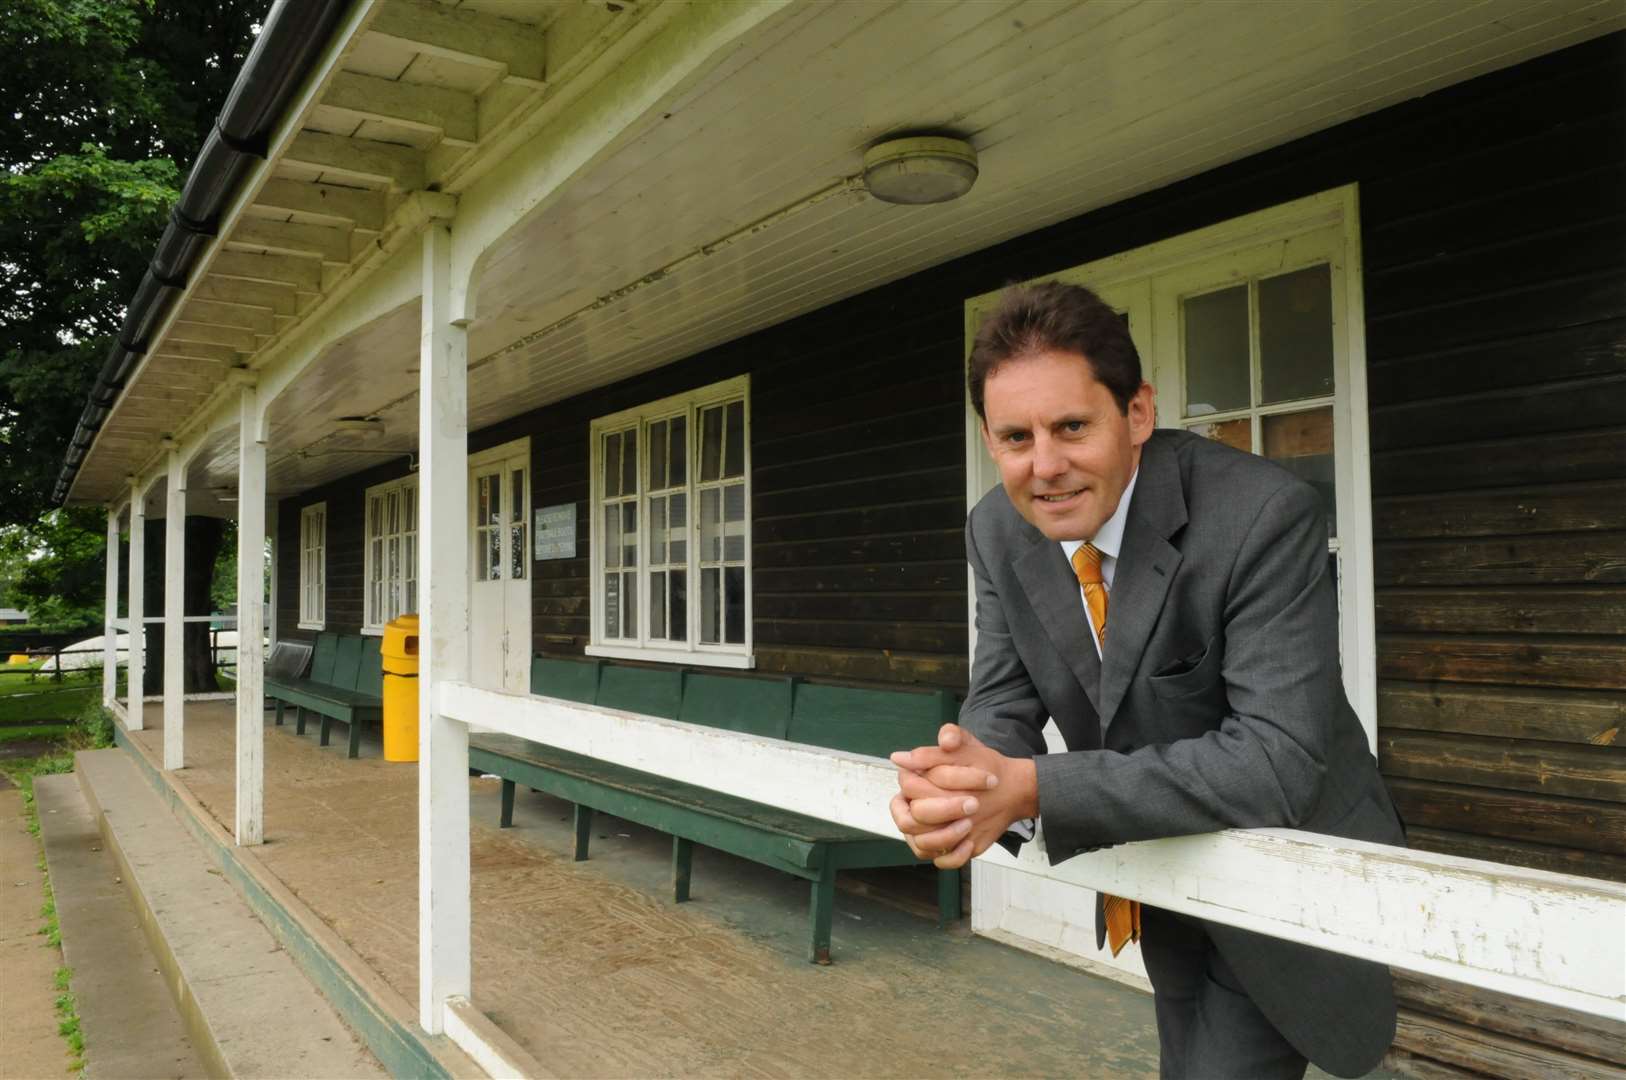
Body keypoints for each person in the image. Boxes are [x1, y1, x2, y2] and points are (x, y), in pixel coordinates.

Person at [889, 282, 1405, 1079]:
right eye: (1016, 437)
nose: (1046, 467)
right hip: (1163, 860)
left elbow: (1276, 760)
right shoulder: (995, 529)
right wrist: (963, 784)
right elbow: (1002, 695)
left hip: (1291, 864)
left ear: (1136, 414)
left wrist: (1028, 789)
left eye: (1071, 427)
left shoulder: (1264, 515)